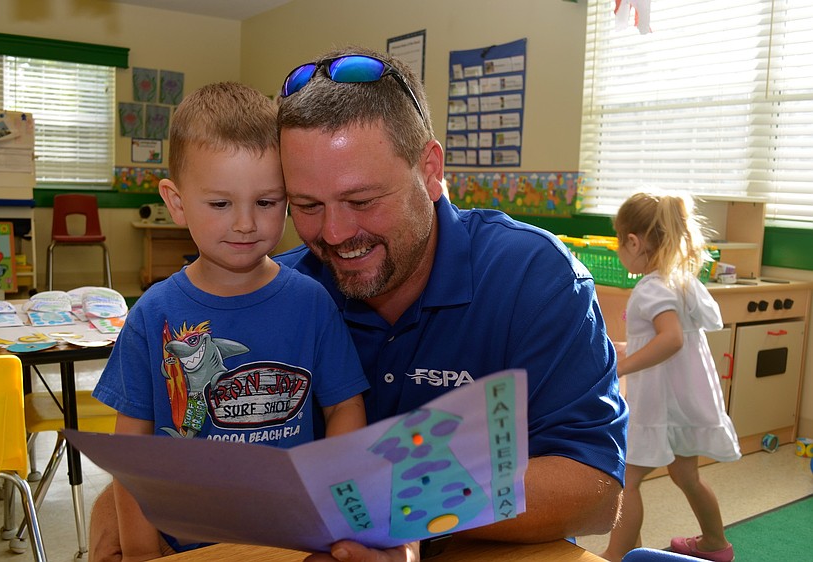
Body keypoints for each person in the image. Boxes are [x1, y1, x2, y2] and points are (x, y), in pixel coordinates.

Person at [274, 46, 628, 562]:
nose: (334, 233)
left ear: (430, 170)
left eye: (363, 201)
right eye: (306, 206)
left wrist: (403, 517)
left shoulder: (534, 278)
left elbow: (594, 491)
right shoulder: (283, 291)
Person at [89, 82, 369, 561]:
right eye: (220, 204)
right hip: (184, 547)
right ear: (176, 202)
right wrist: (139, 552)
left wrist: (333, 507)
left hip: (291, 541)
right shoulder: (152, 315)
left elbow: (344, 408)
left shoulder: (313, 303)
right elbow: (131, 454)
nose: (245, 223)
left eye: (266, 202)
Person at [599, 191, 741, 562]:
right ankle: (715, 543)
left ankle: (615, 554)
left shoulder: (650, 288)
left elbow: (671, 340)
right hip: (685, 402)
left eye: (618, 241)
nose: (619, 250)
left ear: (633, 241)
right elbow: (664, 339)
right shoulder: (678, 280)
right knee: (686, 476)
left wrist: (621, 367)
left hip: (661, 407)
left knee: (626, 480)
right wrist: (625, 347)